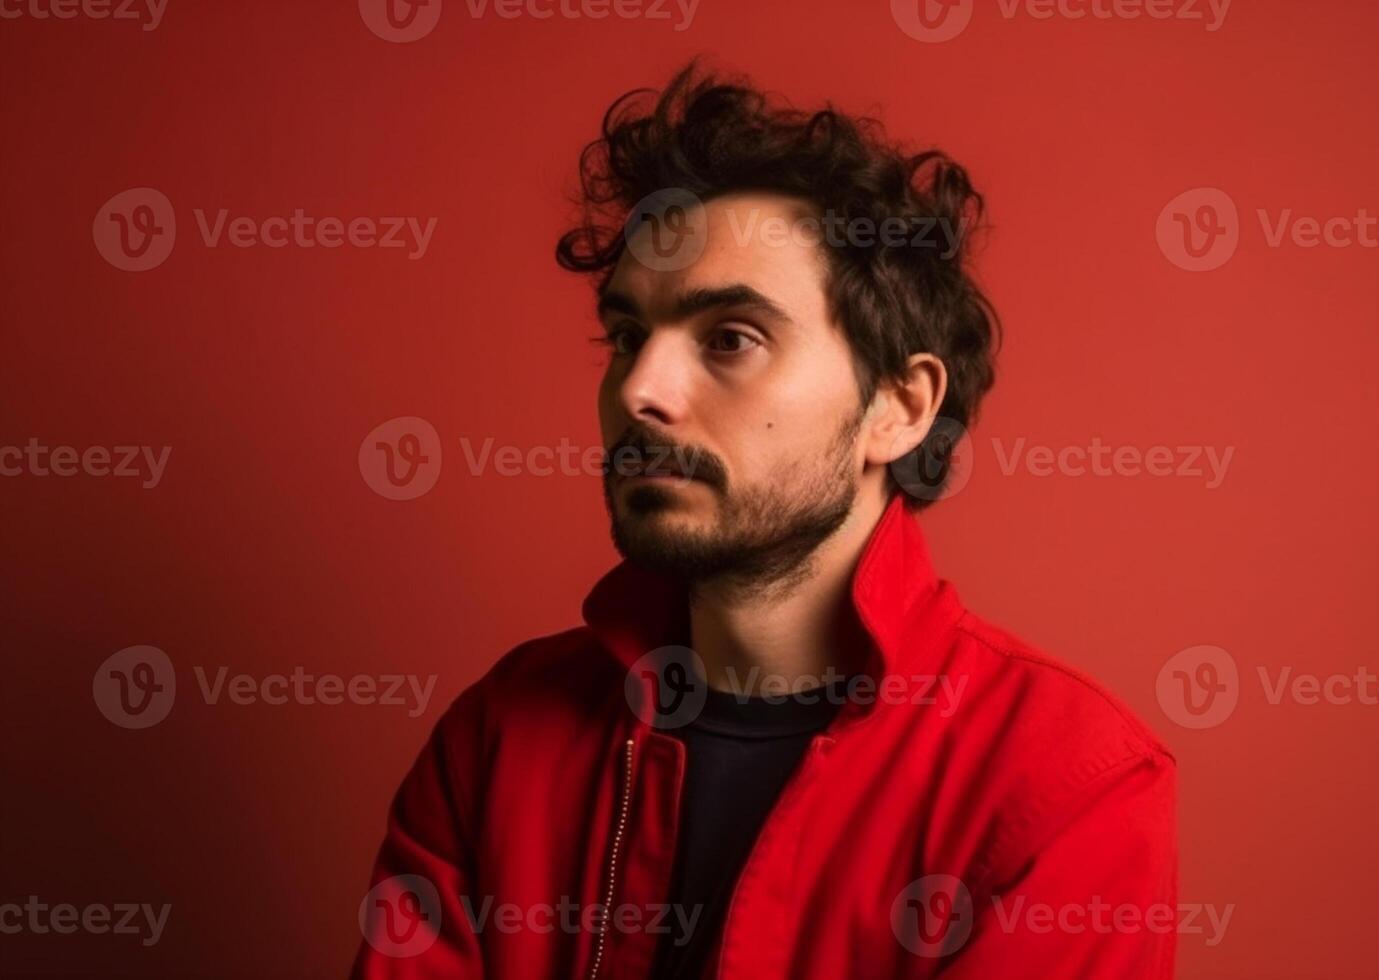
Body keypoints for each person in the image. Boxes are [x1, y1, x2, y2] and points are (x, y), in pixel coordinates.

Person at [352, 62, 1177, 980]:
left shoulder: (1063, 783)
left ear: (898, 407)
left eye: (730, 338)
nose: (639, 391)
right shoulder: (502, 736)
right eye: (627, 337)